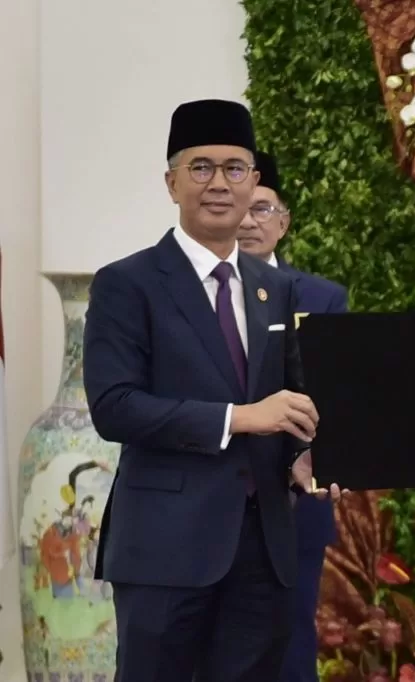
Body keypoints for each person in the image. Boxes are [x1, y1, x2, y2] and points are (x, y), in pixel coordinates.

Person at [82, 98, 340, 682]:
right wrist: (241, 418)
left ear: (254, 183)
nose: (219, 183)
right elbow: (114, 407)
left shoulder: (275, 288)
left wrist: (305, 457)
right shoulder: (128, 283)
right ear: (172, 182)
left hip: (264, 551)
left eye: (234, 168)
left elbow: (297, 404)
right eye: (201, 167)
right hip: (166, 550)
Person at [237, 150, 349, 682]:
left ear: (283, 221)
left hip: (296, 503)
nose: (246, 221)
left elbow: (341, 398)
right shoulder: (198, 294)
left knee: (291, 645)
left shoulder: (323, 298)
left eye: (261, 209)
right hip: (217, 501)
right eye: (238, 207)